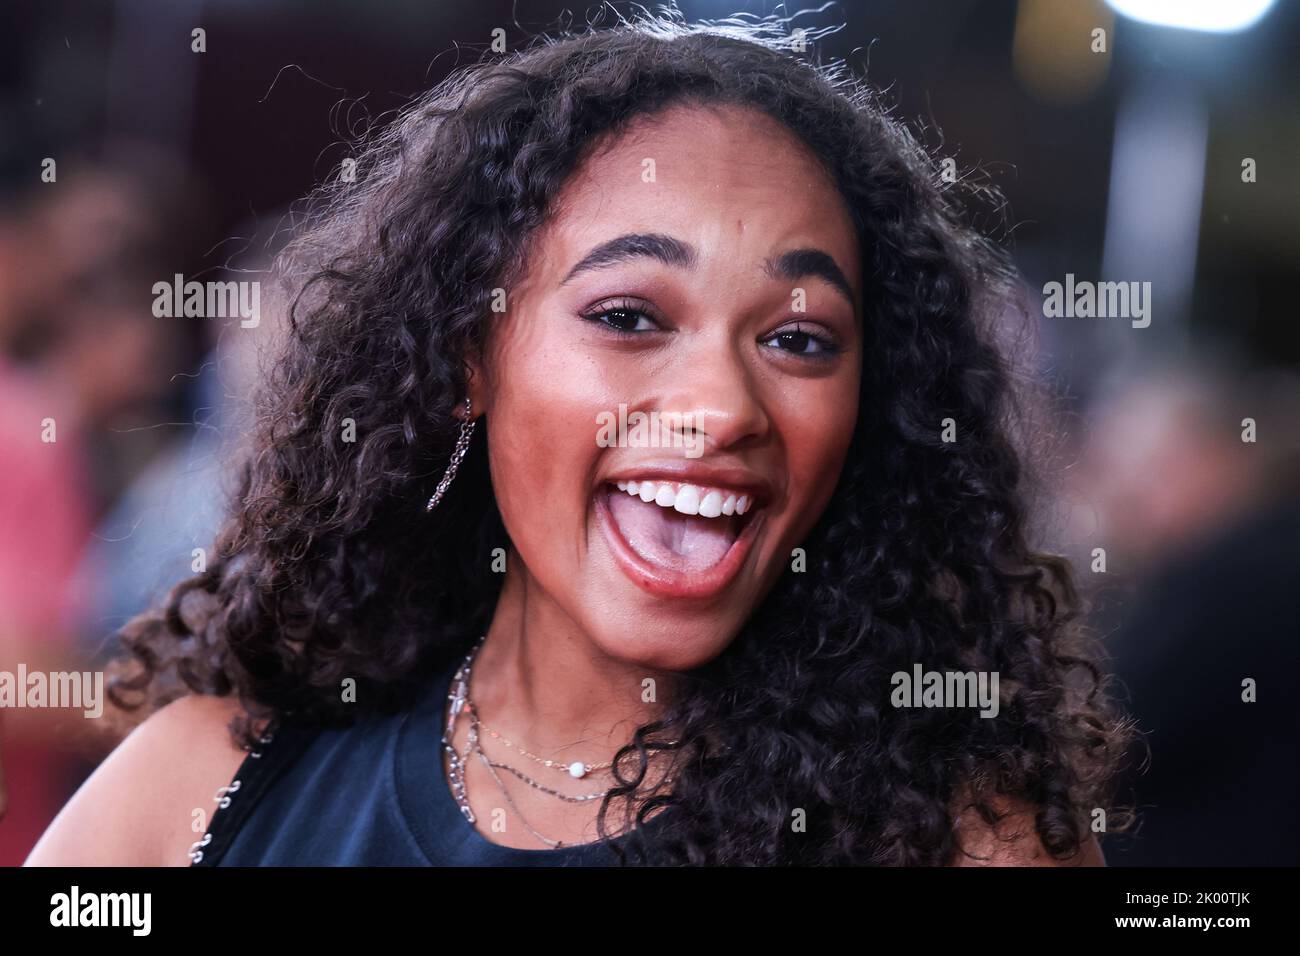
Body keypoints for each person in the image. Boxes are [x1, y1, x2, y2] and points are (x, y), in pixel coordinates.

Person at [26, 17, 1126, 867]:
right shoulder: (188, 798)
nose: (722, 405)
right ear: (467, 354)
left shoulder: (963, 849)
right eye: (629, 316)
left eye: (797, 337)